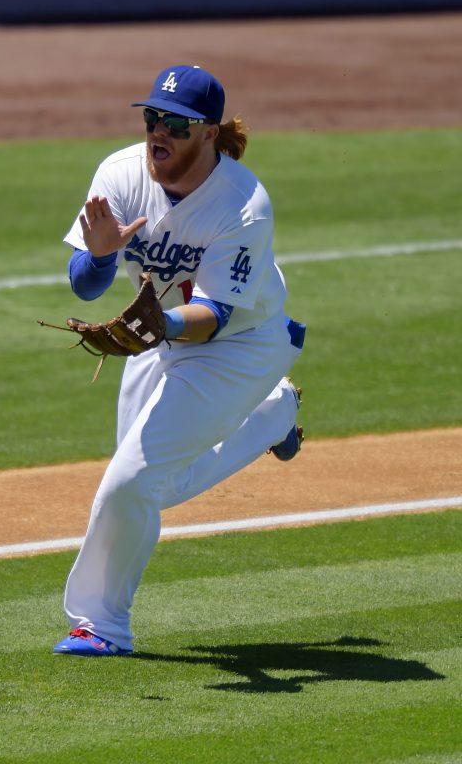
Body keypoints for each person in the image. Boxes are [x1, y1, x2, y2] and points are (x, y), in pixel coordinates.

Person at [53, 65, 305, 657]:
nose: (157, 131)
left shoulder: (243, 205)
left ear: (210, 133)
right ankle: (273, 417)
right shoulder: (120, 173)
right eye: (151, 118)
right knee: (154, 488)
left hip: (242, 345)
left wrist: (157, 325)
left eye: (175, 123)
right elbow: (85, 286)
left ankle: (102, 624)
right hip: (161, 332)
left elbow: (215, 317)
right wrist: (99, 257)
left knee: (129, 481)